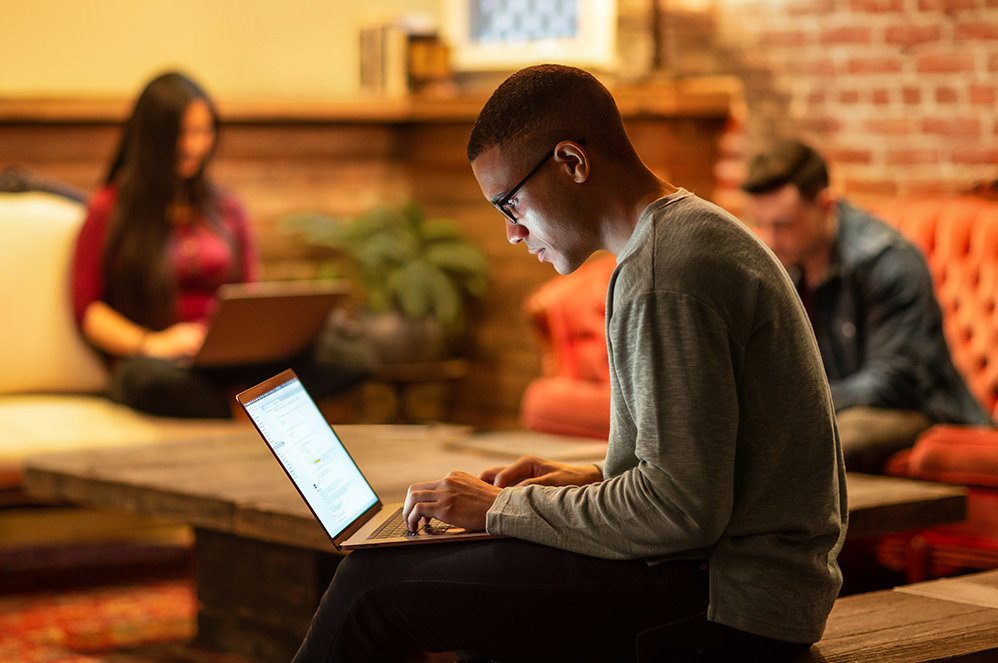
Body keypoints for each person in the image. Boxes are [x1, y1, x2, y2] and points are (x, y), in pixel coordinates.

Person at [292, 64, 846, 663]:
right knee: (449, 580)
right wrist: (581, 477)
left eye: (510, 202)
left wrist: (502, 508)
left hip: (730, 602)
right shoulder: (679, 239)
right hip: (725, 578)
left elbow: (679, 511)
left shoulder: (664, 273)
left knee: (370, 588)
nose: (510, 232)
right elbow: (699, 473)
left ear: (572, 162)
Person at [72, 71, 370, 419]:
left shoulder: (227, 209)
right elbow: (87, 310)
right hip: (161, 363)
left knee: (352, 356)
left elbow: (249, 295)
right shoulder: (109, 209)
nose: (195, 145)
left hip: (230, 360)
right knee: (144, 380)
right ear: (153, 137)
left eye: (204, 131)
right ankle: (248, 408)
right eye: (182, 133)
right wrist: (153, 343)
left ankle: (238, 404)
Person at [741, 139, 992, 473]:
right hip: (842, 406)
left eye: (784, 224)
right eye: (763, 223)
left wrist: (792, 404)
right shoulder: (786, 263)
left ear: (825, 205)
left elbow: (891, 382)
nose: (770, 238)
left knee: (835, 438)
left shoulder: (887, 261)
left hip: (918, 412)